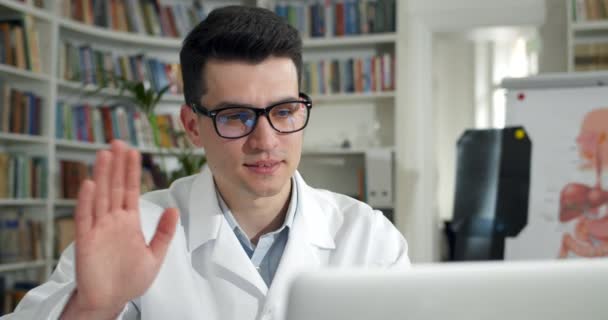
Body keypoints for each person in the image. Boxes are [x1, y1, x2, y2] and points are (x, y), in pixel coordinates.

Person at [2, 5, 409, 320]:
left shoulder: (369, 238)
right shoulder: (132, 232)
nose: (265, 141)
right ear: (192, 126)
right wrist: (92, 309)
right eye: (236, 116)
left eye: (284, 111)